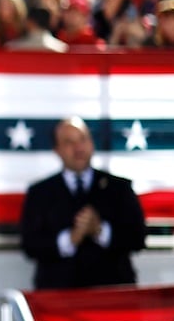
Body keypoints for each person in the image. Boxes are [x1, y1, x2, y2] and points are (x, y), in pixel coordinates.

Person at [20, 117, 147, 289]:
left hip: (112, 294)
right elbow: (30, 245)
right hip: (58, 296)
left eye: (83, 139)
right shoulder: (40, 192)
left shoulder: (119, 188)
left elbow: (137, 238)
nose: (78, 148)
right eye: (69, 142)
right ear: (57, 150)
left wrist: (100, 230)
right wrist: (68, 239)